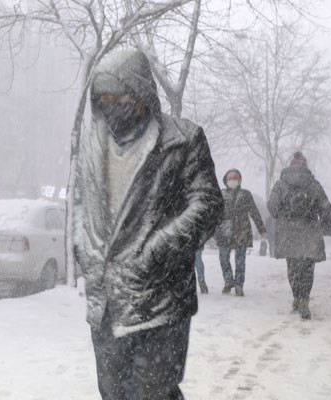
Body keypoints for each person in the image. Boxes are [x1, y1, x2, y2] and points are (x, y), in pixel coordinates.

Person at [71, 49, 224, 400]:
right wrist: (85, 250)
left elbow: (208, 204)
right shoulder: (92, 144)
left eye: (118, 97)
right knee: (113, 394)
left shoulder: (181, 140)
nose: (111, 107)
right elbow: (81, 204)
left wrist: (157, 250)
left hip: (159, 298)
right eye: (103, 99)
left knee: (151, 394)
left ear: (141, 93)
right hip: (106, 300)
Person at [267, 152, 331, 320]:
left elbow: (272, 206)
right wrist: (327, 227)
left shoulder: (281, 184)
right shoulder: (313, 184)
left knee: (293, 267)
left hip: (288, 232)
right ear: (305, 166)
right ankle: (304, 299)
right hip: (309, 231)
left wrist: (282, 215)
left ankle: (296, 296)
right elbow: (325, 206)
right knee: (307, 268)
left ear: (290, 166)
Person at [214, 169, 266, 296]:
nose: (233, 180)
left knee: (240, 260)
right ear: (226, 181)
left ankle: (239, 284)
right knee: (223, 258)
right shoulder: (220, 194)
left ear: (240, 180)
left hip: (242, 231)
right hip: (224, 231)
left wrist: (261, 229)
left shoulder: (245, 194)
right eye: (230, 178)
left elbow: (254, 212)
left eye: (235, 178)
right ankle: (228, 280)